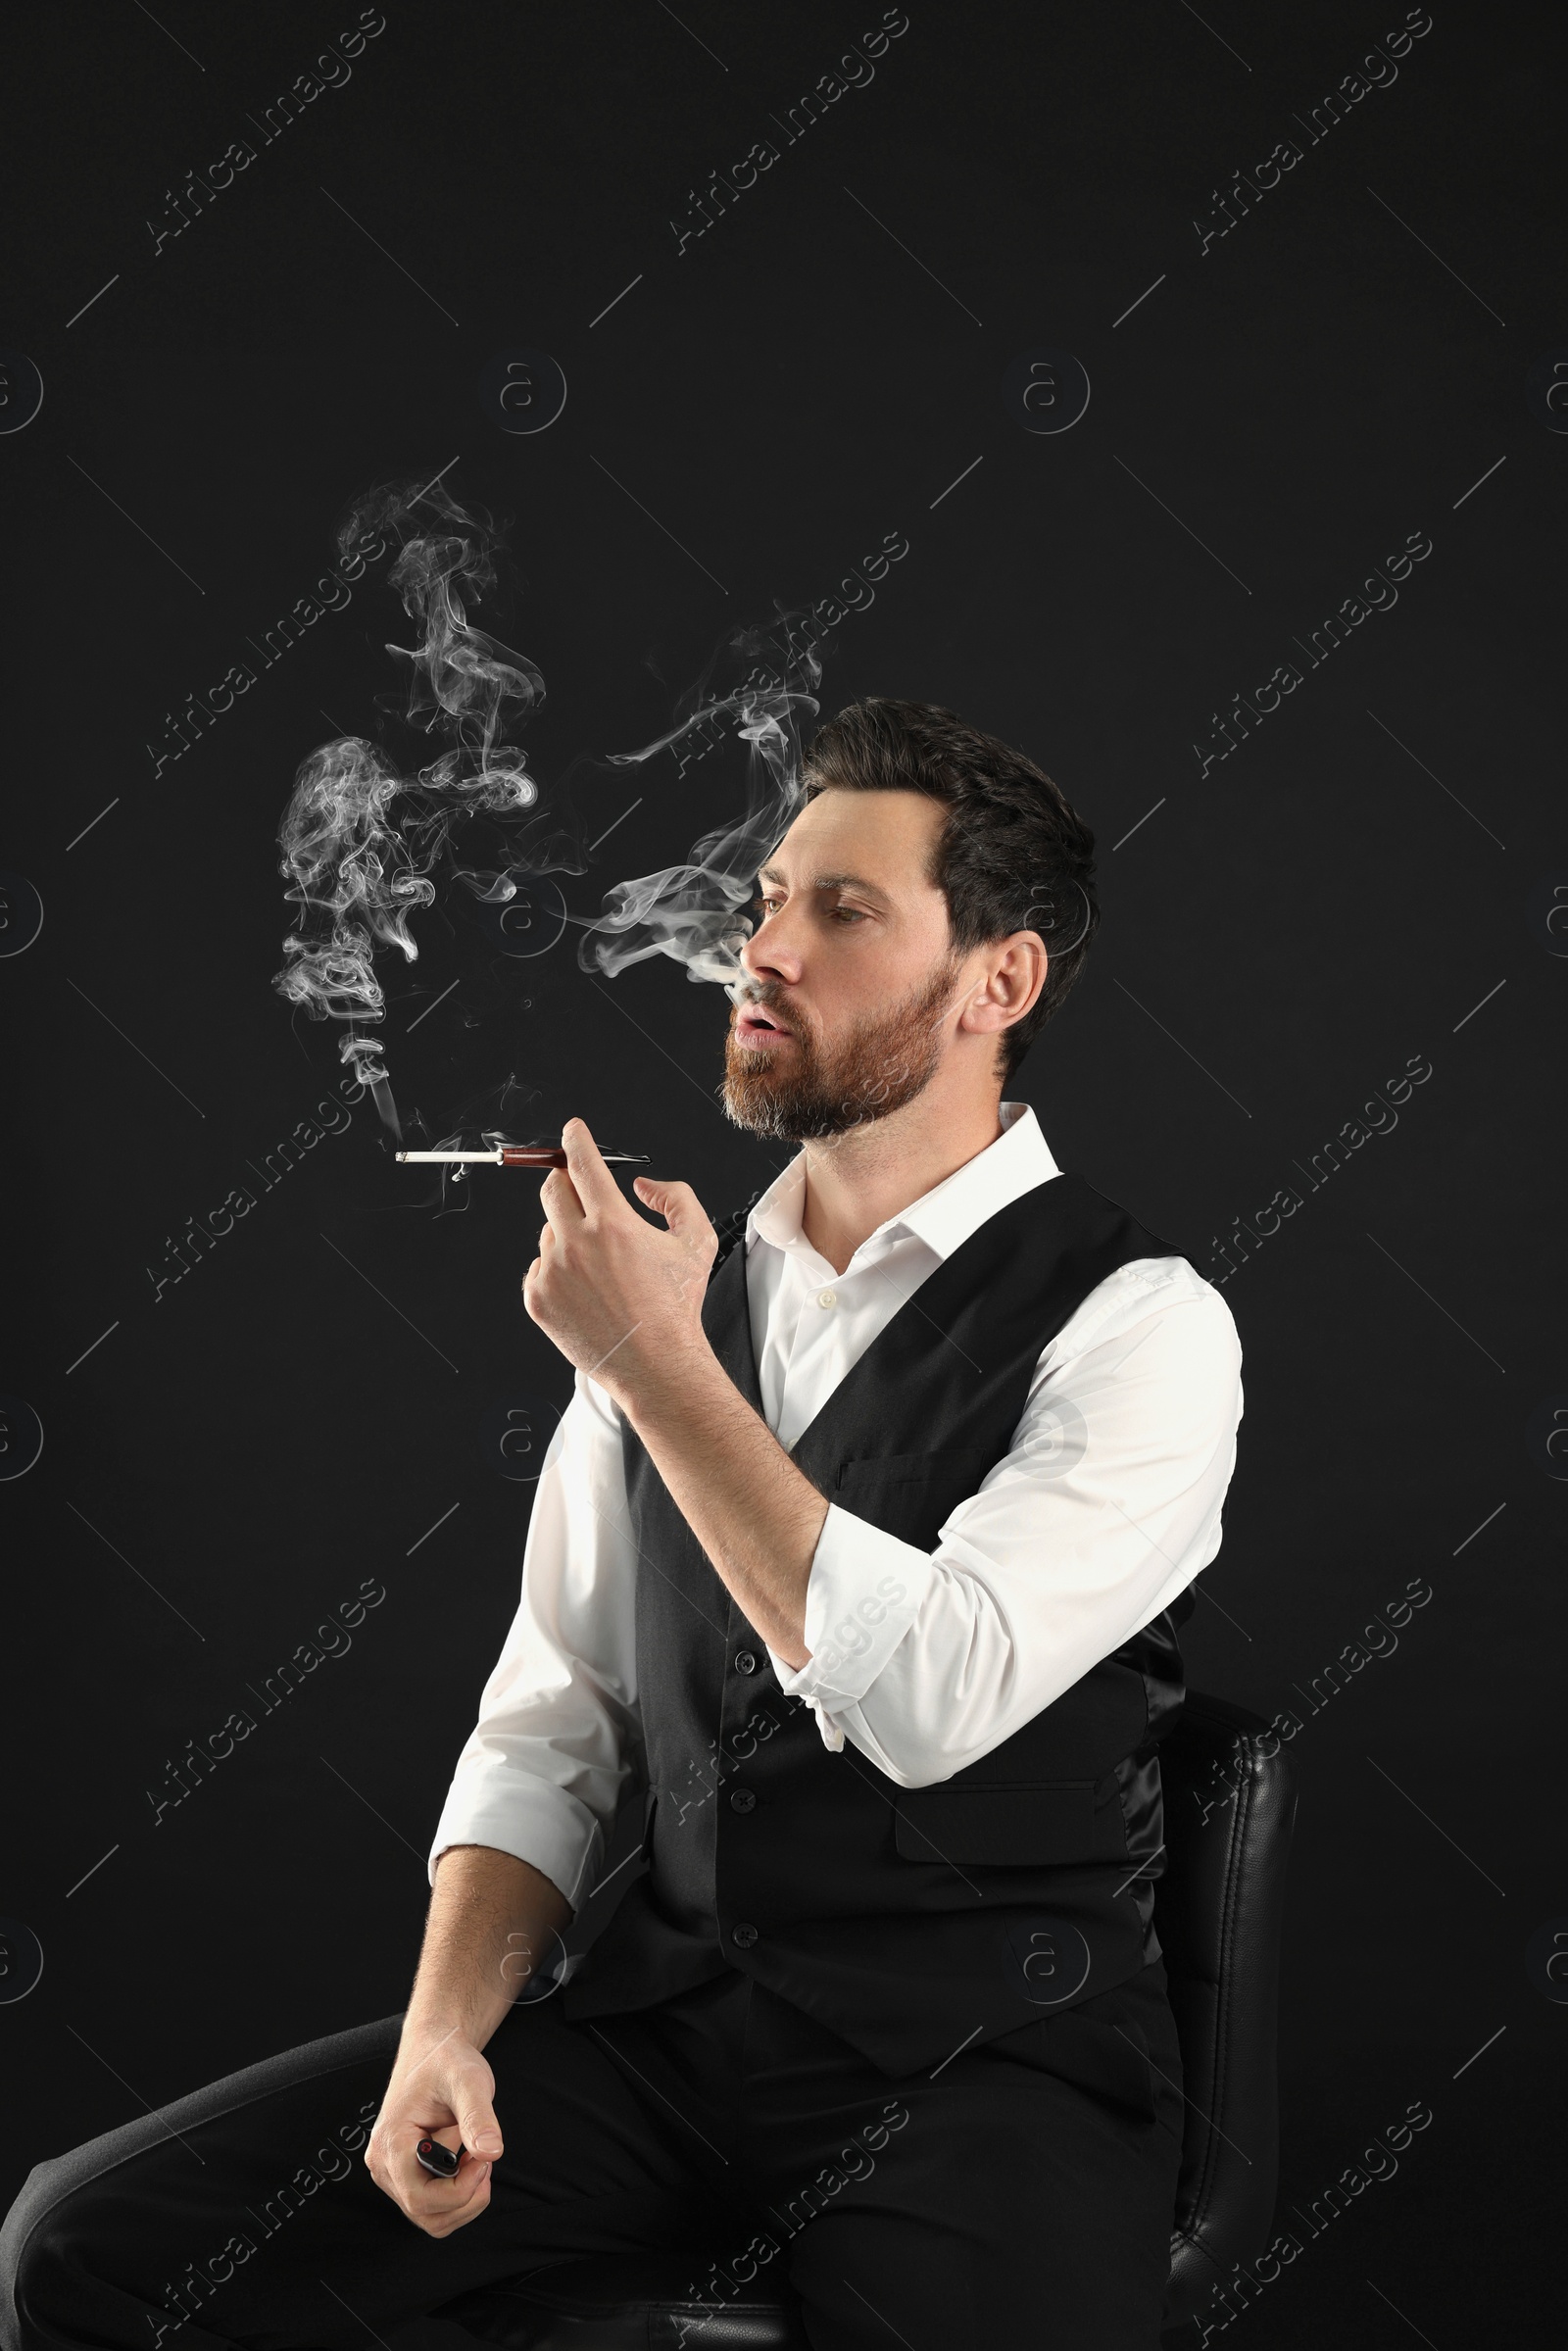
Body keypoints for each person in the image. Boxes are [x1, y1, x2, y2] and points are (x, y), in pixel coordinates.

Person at [1, 698, 1244, 2350]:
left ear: (997, 983)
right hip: (673, 2041)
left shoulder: (1144, 1325)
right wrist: (447, 2031)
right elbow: (556, 1718)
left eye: (843, 911)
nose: (766, 949)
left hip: (985, 2079)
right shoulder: (674, 1298)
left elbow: (932, 1698)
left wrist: (652, 1363)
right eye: (765, 903)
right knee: (85, 2246)